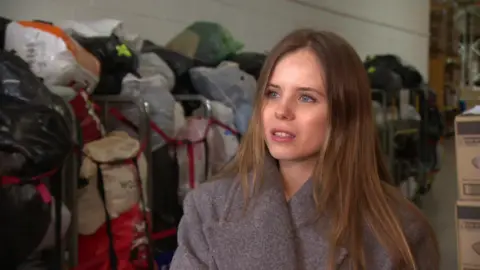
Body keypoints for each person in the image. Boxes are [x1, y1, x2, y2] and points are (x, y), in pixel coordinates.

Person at [169, 29, 440, 270]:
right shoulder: (208, 208)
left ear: (343, 113)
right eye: (272, 93)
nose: (282, 111)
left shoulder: (400, 231)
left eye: (306, 97)